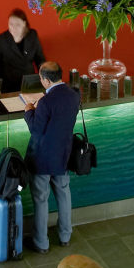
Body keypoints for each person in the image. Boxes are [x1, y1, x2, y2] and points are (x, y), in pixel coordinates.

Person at [23, 61, 80, 253]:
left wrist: (29, 110)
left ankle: (41, 242)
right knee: (64, 194)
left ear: (46, 80)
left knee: (41, 199)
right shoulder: (74, 95)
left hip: (42, 158)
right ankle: (65, 236)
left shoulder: (45, 102)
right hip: (63, 155)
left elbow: (36, 131)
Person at [0, 9, 45, 93]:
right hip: (8, 87)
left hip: (29, 84)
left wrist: (46, 78)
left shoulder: (32, 35)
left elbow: (40, 60)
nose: (13, 28)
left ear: (24, 24)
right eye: (11, 24)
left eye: (18, 25)